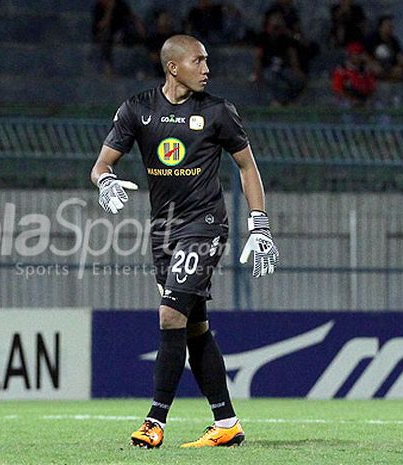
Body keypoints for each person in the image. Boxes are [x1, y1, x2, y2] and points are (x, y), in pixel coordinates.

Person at [90, 34, 279, 449]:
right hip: (163, 231)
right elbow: (101, 164)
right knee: (195, 327)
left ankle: (154, 422)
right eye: (199, 60)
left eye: (208, 60)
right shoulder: (137, 109)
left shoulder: (217, 112)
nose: (207, 68)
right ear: (173, 67)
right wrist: (104, 182)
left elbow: (248, 167)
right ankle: (226, 422)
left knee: (170, 315)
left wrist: (259, 224)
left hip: (205, 225)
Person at [252, 11, 306, 106]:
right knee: (270, 77)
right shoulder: (262, 37)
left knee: (297, 80)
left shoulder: (285, 37)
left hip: (283, 67)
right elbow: (258, 57)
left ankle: (291, 101)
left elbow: (292, 55)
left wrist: (297, 70)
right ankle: (275, 101)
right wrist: (257, 72)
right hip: (268, 67)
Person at [92, 0, 146, 76]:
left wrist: (139, 26)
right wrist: (109, 10)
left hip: (120, 33)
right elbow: (102, 26)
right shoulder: (99, 7)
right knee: (105, 39)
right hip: (104, 34)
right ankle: (108, 67)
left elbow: (131, 16)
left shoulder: (120, 4)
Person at [364, 15, 403, 81]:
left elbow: (399, 57)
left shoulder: (394, 41)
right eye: (388, 26)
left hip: (390, 67)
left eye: (392, 26)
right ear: (380, 27)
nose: (390, 28)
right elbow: (364, 55)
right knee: (376, 69)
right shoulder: (371, 39)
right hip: (375, 65)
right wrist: (373, 63)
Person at [331, 42, 377, 107]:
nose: (358, 56)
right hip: (346, 101)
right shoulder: (342, 69)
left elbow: (372, 88)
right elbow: (337, 89)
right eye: (356, 54)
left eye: (360, 54)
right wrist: (351, 100)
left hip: (363, 100)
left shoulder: (365, 70)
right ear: (350, 55)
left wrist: (368, 100)